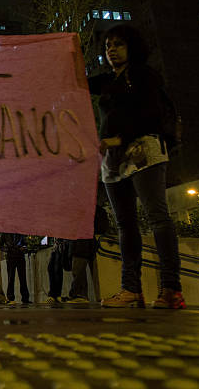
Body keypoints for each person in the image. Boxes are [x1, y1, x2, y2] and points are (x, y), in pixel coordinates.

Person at [89, 24, 186, 309]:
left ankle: (171, 288)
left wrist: (118, 138)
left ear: (132, 46)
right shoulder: (107, 81)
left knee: (157, 217)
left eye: (118, 44)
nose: (112, 50)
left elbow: (152, 114)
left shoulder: (144, 75)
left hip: (143, 151)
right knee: (125, 225)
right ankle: (131, 289)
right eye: (108, 46)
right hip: (113, 159)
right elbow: (76, 81)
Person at [64, 206, 110, 303]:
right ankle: (86, 295)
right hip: (86, 245)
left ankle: (80, 294)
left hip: (81, 245)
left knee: (79, 271)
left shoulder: (83, 210)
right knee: (85, 272)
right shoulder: (95, 210)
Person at [0, 233, 30, 304]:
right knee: (11, 278)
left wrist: (23, 248)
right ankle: (11, 298)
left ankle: (25, 298)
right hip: (10, 257)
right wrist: (8, 250)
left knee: (23, 278)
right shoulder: (4, 233)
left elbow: (26, 243)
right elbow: (0, 245)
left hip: (20, 256)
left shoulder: (21, 233)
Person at [46, 238, 71, 304]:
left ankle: (56, 294)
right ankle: (53, 294)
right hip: (57, 245)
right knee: (51, 268)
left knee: (57, 269)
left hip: (61, 245)